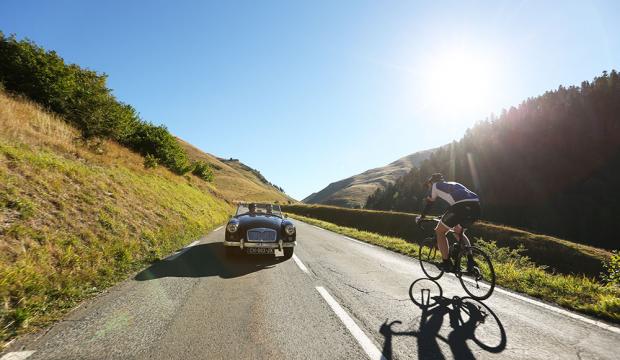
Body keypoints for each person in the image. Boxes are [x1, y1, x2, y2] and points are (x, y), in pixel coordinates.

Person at [416, 173, 481, 272]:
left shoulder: (435, 186)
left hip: (460, 207)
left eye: (429, 184)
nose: (429, 186)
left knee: (439, 231)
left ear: (432, 181)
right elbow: (455, 201)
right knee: (458, 232)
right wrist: (446, 215)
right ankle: (471, 261)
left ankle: (446, 263)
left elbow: (430, 203)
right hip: (475, 207)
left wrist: (422, 217)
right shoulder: (454, 184)